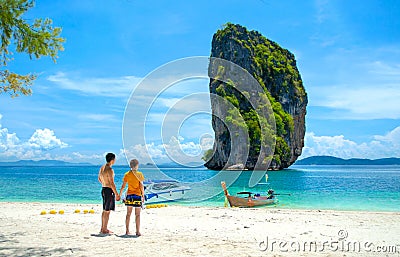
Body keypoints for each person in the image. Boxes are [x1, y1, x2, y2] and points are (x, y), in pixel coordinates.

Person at [119, 159, 145, 236]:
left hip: (129, 196)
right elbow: (141, 186)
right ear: (137, 165)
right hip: (137, 196)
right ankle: (137, 231)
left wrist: (120, 194)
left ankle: (127, 231)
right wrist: (143, 195)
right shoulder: (139, 174)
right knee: (137, 215)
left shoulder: (127, 174)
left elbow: (123, 186)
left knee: (128, 214)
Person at [98, 153, 120, 234]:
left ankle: (102, 228)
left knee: (104, 210)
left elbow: (99, 179)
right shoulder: (110, 170)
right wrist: (117, 194)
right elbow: (112, 183)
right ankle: (105, 229)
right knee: (107, 211)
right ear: (112, 160)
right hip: (108, 190)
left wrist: (104, 183)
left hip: (103, 188)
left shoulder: (102, 168)